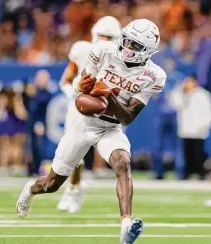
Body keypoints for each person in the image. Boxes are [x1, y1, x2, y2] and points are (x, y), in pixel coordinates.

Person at [16, 19, 167, 244]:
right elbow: (80, 84)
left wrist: (107, 95)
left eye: (134, 46)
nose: (127, 48)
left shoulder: (154, 76)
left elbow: (127, 116)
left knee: (123, 162)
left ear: (147, 52)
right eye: (126, 41)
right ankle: (31, 189)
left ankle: (126, 225)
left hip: (110, 127)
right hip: (82, 122)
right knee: (51, 185)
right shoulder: (104, 51)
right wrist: (81, 86)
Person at [57, 16, 122, 213]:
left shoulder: (123, 59)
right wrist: (75, 95)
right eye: (102, 35)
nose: (105, 40)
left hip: (106, 110)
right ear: (94, 35)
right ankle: (73, 189)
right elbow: (66, 80)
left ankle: (86, 182)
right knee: (72, 154)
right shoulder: (82, 50)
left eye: (109, 37)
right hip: (80, 110)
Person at [169, 75, 211, 179]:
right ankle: (186, 174)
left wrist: (204, 125)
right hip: (185, 129)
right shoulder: (181, 94)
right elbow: (173, 103)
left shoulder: (203, 95)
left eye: (189, 82)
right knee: (186, 154)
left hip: (198, 130)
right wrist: (179, 89)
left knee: (197, 153)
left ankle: (200, 173)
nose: (187, 84)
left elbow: (208, 112)